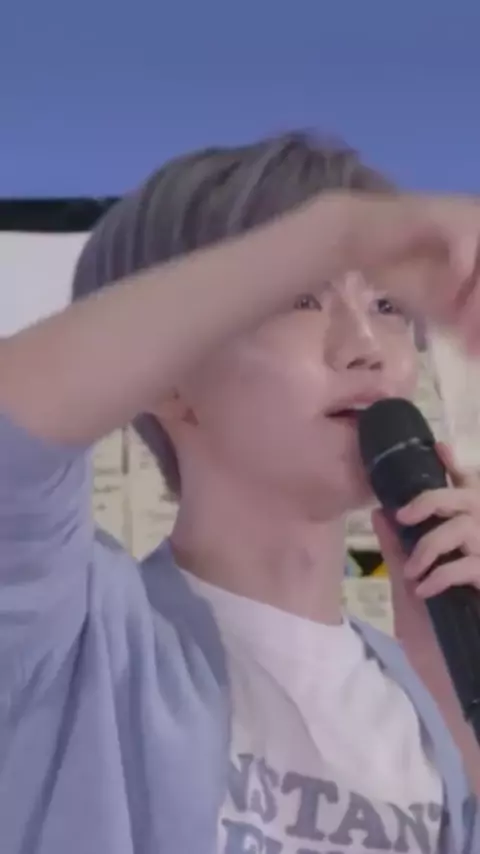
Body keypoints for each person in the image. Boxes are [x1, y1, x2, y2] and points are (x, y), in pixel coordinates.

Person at [2, 133, 480, 854]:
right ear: (166, 375)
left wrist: (454, 702)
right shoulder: (75, 637)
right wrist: (337, 230)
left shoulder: (421, 703)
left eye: (387, 304)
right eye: (302, 299)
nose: (368, 347)